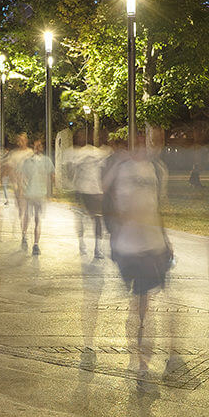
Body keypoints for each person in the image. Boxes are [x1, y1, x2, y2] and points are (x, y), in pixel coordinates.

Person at [103, 138, 170, 378]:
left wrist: (164, 240)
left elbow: (157, 205)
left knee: (143, 303)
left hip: (151, 245)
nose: (145, 148)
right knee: (137, 303)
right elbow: (106, 194)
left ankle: (143, 362)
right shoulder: (120, 167)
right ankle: (136, 356)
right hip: (128, 247)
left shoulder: (155, 169)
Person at [67, 132, 107, 258]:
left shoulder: (80, 153)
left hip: (88, 191)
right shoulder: (97, 153)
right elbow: (103, 171)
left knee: (89, 219)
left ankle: (91, 246)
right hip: (90, 191)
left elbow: (70, 171)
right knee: (94, 219)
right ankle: (92, 247)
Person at [17, 140, 53, 256]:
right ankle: (24, 235)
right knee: (27, 216)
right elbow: (22, 176)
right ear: (34, 147)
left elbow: (52, 176)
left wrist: (49, 193)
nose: (38, 147)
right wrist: (22, 190)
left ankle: (36, 244)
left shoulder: (46, 161)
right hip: (29, 193)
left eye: (40, 145)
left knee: (37, 218)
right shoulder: (28, 161)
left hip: (40, 193)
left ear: (42, 147)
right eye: (36, 145)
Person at [1, 134, 31, 241]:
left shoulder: (30, 153)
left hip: (29, 184)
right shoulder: (14, 154)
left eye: (23, 140)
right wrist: (15, 183)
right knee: (21, 208)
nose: (21, 142)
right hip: (18, 185)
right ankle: (22, 224)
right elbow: (10, 169)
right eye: (19, 140)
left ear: (26, 141)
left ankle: (24, 232)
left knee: (26, 208)